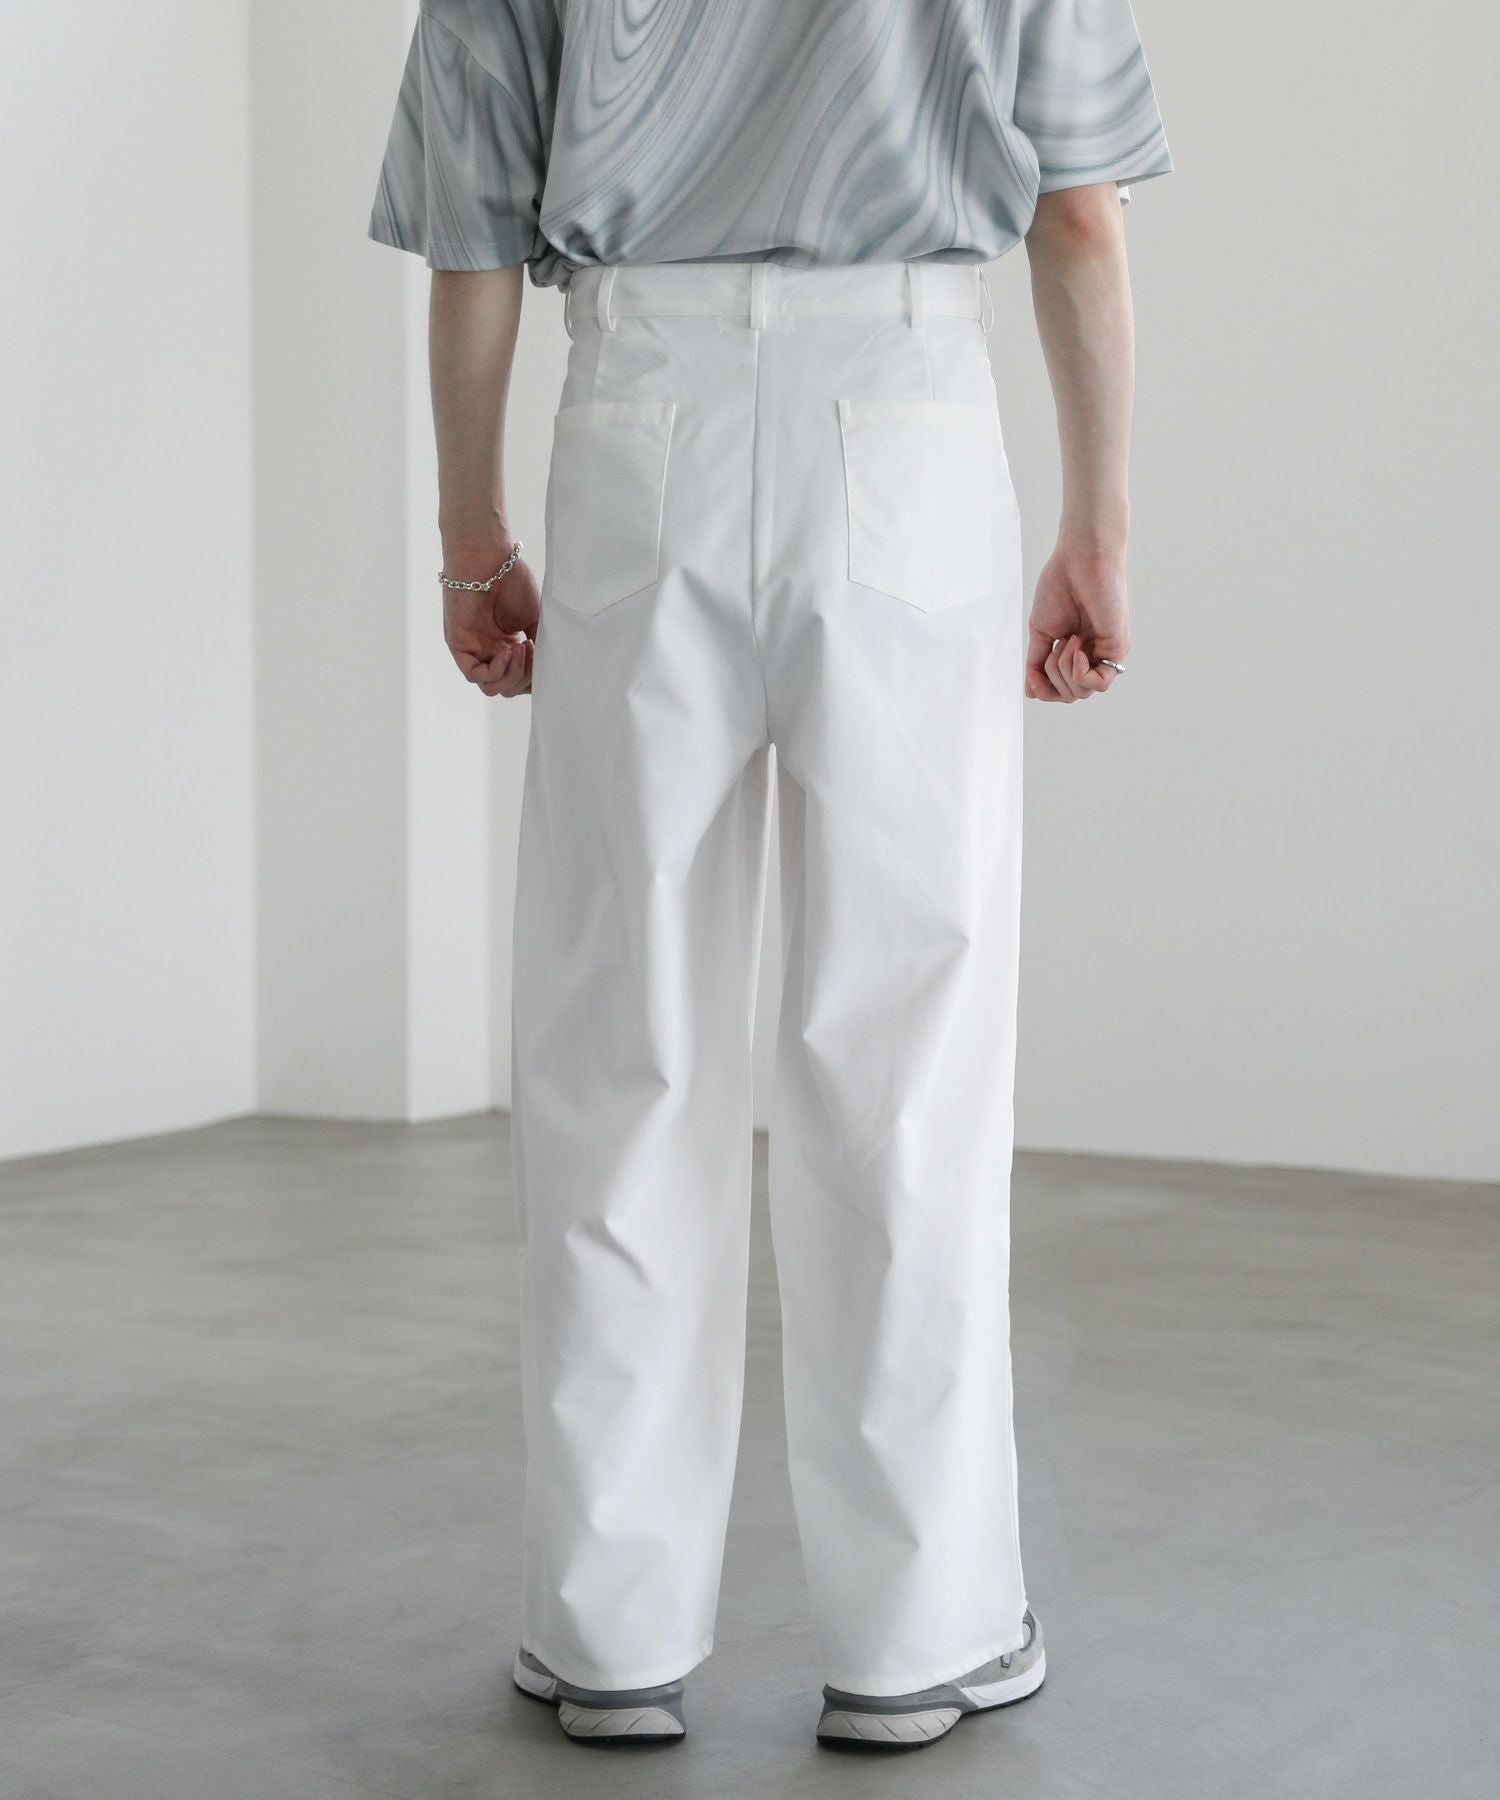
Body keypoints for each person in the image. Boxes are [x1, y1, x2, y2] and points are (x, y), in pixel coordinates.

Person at [367, 0, 1170, 1752]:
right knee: (905, 1052)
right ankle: (918, 1634)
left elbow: (469, 235)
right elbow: (1079, 209)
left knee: (620, 1040)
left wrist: (470, 539)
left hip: (638, 414)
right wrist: (1097, 530)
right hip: (904, 410)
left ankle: (606, 1630)